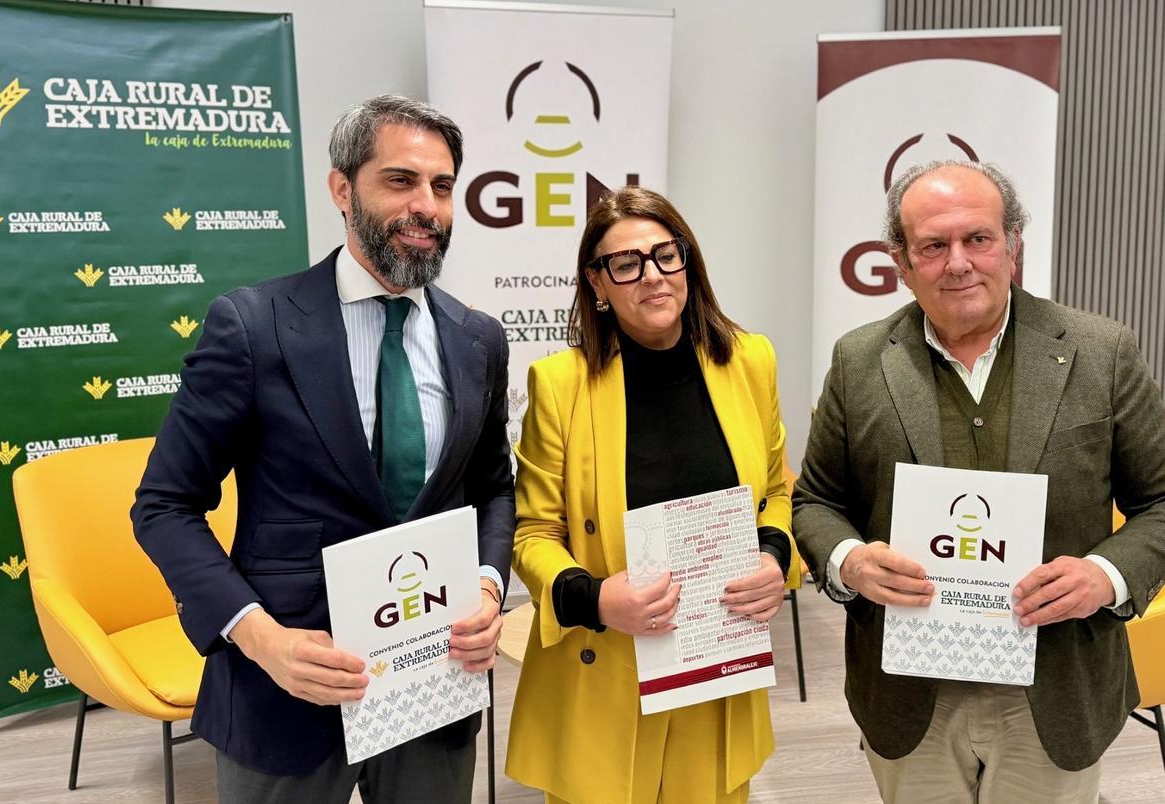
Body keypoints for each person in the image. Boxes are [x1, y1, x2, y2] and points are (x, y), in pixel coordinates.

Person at [131, 95, 514, 804]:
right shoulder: (253, 326)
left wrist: (489, 587)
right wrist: (259, 638)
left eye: (441, 186)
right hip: (288, 690)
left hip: (434, 685)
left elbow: (493, 487)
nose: (424, 206)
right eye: (400, 181)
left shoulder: (478, 339)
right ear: (342, 189)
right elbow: (165, 505)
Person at [793, 160, 1165, 803]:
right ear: (901, 264)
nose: (958, 263)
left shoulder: (1102, 352)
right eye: (933, 246)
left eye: (978, 239)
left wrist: (1103, 576)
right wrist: (851, 561)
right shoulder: (858, 361)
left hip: (1055, 690)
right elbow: (817, 501)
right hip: (910, 696)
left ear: (1013, 246)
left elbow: (1159, 501)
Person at [505, 186, 801, 803]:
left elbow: (775, 490)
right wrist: (590, 598)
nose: (652, 276)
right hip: (608, 662)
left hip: (716, 659)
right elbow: (534, 533)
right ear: (598, 284)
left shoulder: (750, 360)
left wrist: (774, 557)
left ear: (688, 263)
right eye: (626, 264)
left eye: (667, 255)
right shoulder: (560, 384)